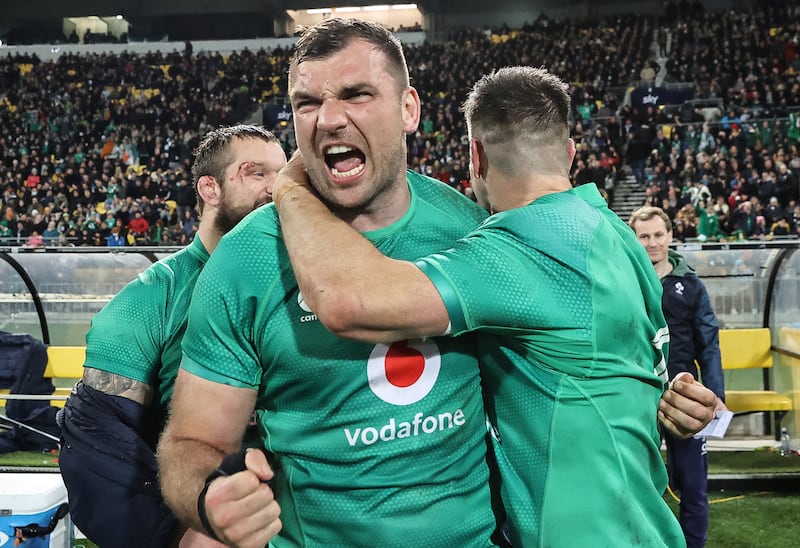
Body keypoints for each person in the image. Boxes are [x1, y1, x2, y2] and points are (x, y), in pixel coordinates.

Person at [158, 20, 715, 548]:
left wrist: (652, 397)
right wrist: (208, 496)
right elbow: (191, 443)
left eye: (355, 94)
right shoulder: (242, 263)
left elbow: (552, 358)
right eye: (307, 102)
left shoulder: (479, 234)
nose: (328, 119)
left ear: (408, 109)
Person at [57, 124, 287, 548]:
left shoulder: (313, 287)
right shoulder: (149, 299)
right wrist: (180, 533)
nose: (278, 187)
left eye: (284, 172)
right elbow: (96, 440)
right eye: (257, 173)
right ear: (209, 189)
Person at [629, 206, 727, 548]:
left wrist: (715, 396)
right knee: (637, 483)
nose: (652, 243)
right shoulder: (624, 283)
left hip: (685, 398)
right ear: (634, 239)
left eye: (658, 235)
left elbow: (709, 343)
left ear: (670, 236)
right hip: (637, 399)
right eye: (644, 236)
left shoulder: (691, 285)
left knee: (693, 486)